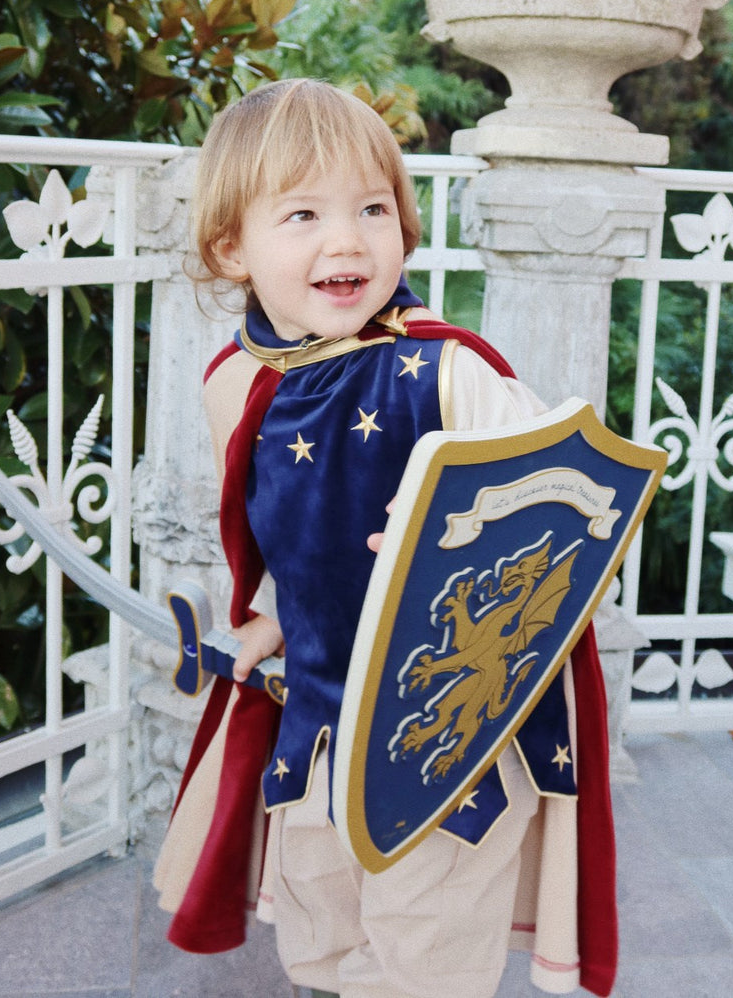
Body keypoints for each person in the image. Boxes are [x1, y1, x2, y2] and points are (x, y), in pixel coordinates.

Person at [153, 79, 618, 998]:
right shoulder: (236, 383)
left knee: (422, 958)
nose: (347, 239)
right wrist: (269, 620)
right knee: (321, 936)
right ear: (229, 247)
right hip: (320, 723)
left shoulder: (445, 372)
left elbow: (572, 523)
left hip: (450, 739)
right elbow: (285, 536)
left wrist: (451, 549)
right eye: (303, 214)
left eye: (373, 208)